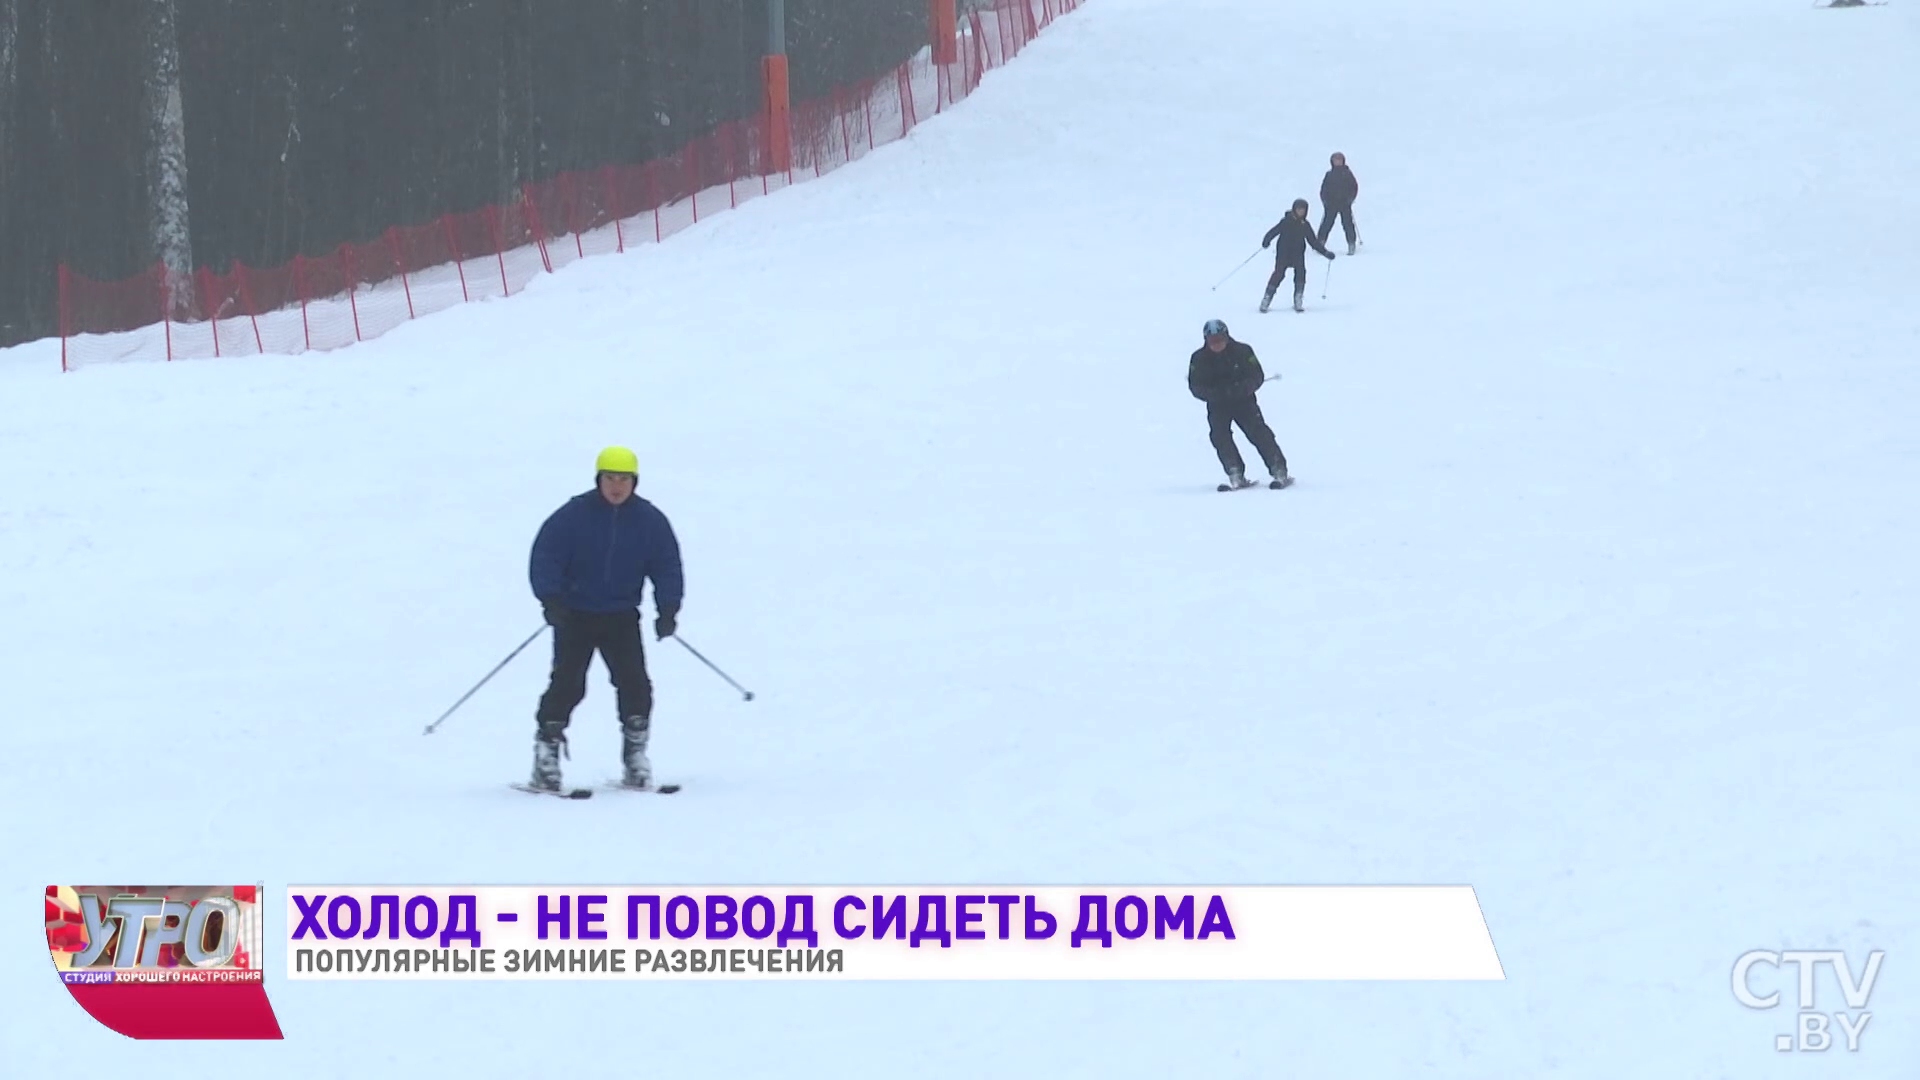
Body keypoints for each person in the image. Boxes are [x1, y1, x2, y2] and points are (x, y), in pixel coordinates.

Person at [526, 446, 684, 791]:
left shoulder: (649, 521)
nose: (616, 486)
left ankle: (635, 757)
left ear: (635, 482)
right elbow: (546, 555)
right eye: (610, 478)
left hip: (621, 617)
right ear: (598, 479)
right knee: (567, 684)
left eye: (624, 479)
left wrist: (668, 608)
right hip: (575, 616)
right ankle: (546, 756)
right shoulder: (573, 516)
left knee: (635, 685)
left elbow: (666, 564)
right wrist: (550, 599)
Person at [1188, 319, 1289, 489]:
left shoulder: (1242, 351)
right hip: (1217, 405)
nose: (1217, 344)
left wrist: (1241, 389)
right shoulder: (1199, 358)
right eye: (1212, 341)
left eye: (1220, 339)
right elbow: (1195, 385)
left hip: (1244, 401)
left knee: (1258, 433)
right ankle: (1234, 471)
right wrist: (1213, 394)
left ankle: (1278, 468)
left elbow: (1257, 375)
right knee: (1220, 436)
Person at [1260, 198, 1336, 313]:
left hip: (1298, 254)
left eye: (1303, 210)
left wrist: (1325, 252)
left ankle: (1298, 298)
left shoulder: (1305, 225)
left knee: (1301, 274)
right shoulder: (1286, 221)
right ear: (1294, 209)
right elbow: (1274, 231)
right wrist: (1266, 240)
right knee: (1279, 274)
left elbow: (1313, 241)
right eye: (1299, 209)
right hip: (1283, 253)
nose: (1301, 212)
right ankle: (1267, 298)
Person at [1317, 152, 1360, 256]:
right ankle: (1320, 243)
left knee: (1348, 224)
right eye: (1336, 160)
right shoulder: (1329, 174)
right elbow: (1324, 189)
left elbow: (1354, 187)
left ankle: (1351, 243)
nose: (1338, 162)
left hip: (1344, 203)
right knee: (1327, 223)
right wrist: (1325, 200)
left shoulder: (1347, 173)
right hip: (1331, 203)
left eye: (1339, 160)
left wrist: (1350, 199)